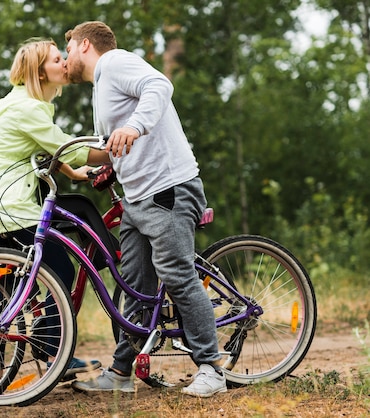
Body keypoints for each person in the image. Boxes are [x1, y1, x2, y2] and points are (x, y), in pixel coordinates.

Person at [64, 21, 227, 398]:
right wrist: (98, 167)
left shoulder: (116, 63)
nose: (64, 57)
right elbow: (117, 145)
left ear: (85, 45)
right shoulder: (101, 87)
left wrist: (135, 126)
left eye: (67, 48)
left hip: (168, 189)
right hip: (138, 198)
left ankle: (212, 368)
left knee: (178, 275)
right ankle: (121, 372)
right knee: (134, 287)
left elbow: (160, 86)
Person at [0, 38, 109, 391]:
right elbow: (64, 147)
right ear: (38, 72)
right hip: (9, 208)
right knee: (60, 270)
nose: (64, 64)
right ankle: (50, 348)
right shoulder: (30, 109)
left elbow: (43, 149)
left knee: (13, 292)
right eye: (57, 60)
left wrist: (73, 175)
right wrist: (114, 152)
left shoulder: (19, 104)